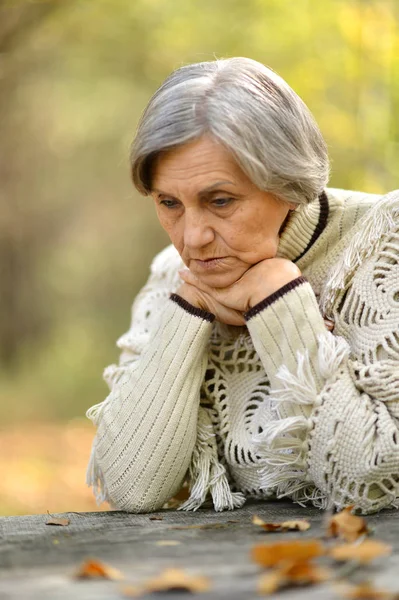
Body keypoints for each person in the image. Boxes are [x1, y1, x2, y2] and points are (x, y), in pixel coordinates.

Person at [86, 57, 399, 515]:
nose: (192, 238)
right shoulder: (172, 274)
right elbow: (132, 487)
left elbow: (369, 480)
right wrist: (190, 307)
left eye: (220, 201)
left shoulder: (382, 244)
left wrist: (279, 301)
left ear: (288, 182)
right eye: (169, 203)